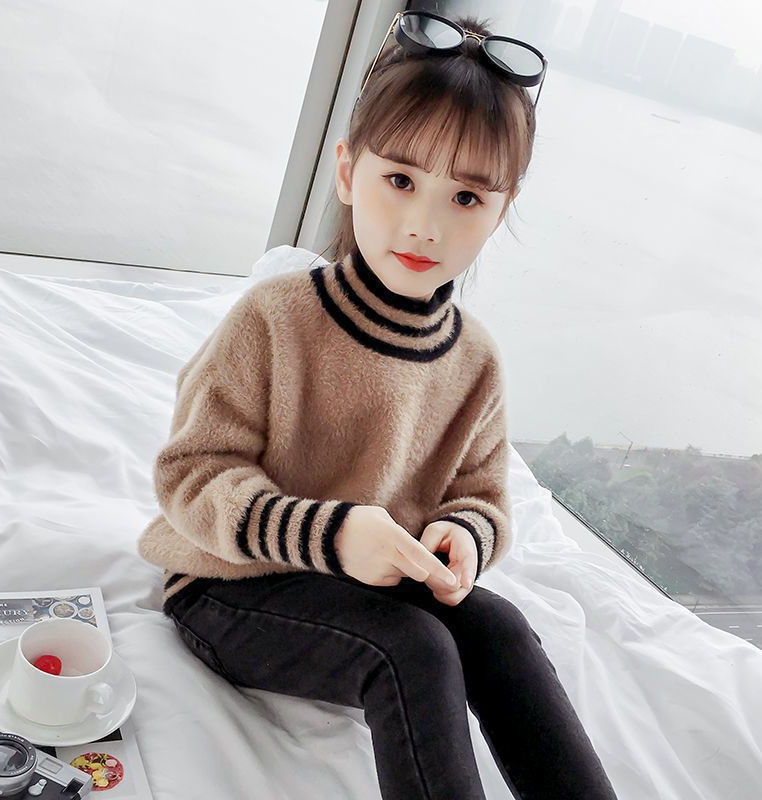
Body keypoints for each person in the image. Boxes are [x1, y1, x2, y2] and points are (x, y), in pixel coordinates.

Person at [137, 11, 619, 800]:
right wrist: (331, 534)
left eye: (467, 197)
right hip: (229, 586)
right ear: (346, 170)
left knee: (496, 626)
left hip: (370, 589)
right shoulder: (276, 318)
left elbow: (481, 496)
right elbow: (191, 476)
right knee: (414, 650)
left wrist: (463, 538)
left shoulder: (474, 360)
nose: (426, 225)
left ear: (501, 210)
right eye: (400, 180)